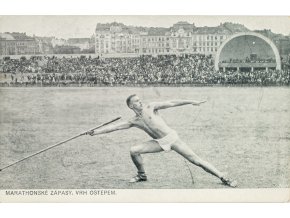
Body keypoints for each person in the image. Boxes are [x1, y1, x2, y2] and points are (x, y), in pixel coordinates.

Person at [87, 94, 237, 187]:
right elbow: (114, 127)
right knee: (134, 151)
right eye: (137, 101)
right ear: (131, 106)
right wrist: (95, 132)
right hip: (159, 143)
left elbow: (172, 102)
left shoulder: (151, 107)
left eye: (140, 100)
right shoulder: (133, 120)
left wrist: (192, 101)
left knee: (196, 160)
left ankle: (223, 177)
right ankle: (142, 175)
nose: (141, 102)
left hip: (172, 139)